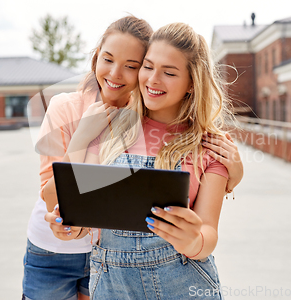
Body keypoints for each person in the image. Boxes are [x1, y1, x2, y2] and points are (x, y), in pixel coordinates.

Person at [45, 22, 243, 299]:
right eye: (147, 67)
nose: (153, 80)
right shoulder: (108, 129)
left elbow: (209, 232)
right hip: (112, 285)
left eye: (169, 72)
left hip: (183, 283)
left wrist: (194, 240)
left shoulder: (210, 146)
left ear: (191, 84)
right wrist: (70, 227)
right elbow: (86, 217)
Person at [23, 15, 153, 300]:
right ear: (96, 58)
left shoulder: (146, 119)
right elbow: (51, 195)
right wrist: (82, 137)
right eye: (107, 59)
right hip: (54, 253)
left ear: (144, 71)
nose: (115, 73)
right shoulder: (64, 107)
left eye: (131, 66)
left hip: (110, 255)